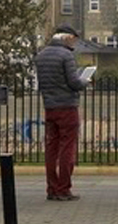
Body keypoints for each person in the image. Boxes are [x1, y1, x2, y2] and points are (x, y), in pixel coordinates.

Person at [35, 24, 90, 201]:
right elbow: (74, 83)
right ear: (66, 38)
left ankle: (52, 188)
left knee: (51, 149)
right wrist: (85, 81)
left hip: (49, 107)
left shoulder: (41, 55)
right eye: (73, 39)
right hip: (67, 107)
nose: (74, 43)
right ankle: (64, 188)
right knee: (67, 148)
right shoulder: (66, 55)